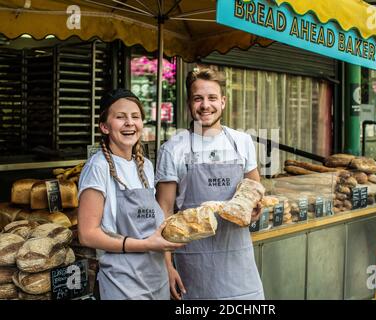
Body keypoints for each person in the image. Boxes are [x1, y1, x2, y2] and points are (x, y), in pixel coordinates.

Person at [156, 67, 264, 300]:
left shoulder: (241, 142)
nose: (206, 105)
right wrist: (166, 266)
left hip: (239, 261)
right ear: (189, 103)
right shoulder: (173, 149)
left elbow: (256, 193)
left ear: (223, 102)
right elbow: (163, 212)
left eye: (212, 98)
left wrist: (256, 210)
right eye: (198, 98)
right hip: (193, 263)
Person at [77, 88, 184, 300]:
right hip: (122, 284)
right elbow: (87, 234)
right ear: (105, 127)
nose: (129, 122)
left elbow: (154, 228)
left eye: (135, 117)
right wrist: (145, 245)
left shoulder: (145, 166)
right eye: (120, 117)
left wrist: (168, 266)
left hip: (157, 280)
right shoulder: (97, 167)